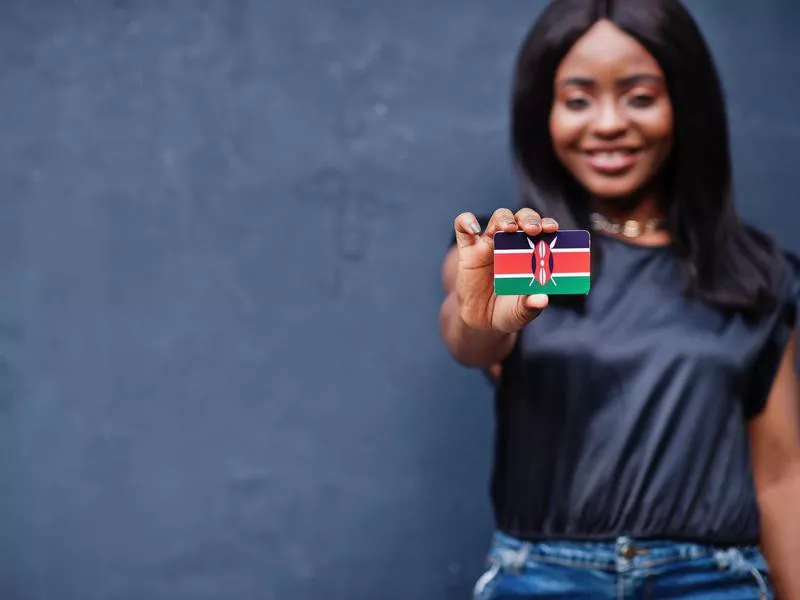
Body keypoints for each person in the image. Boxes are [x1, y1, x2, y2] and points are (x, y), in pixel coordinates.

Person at [439, 0, 800, 598]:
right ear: (543, 113)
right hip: (546, 579)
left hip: (711, 583)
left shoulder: (749, 273)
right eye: (578, 100)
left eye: (638, 95)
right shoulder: (536, 249)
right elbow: (471, 337)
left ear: (684, 105)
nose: (607, 124)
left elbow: (781, 476)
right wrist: (480, 316)